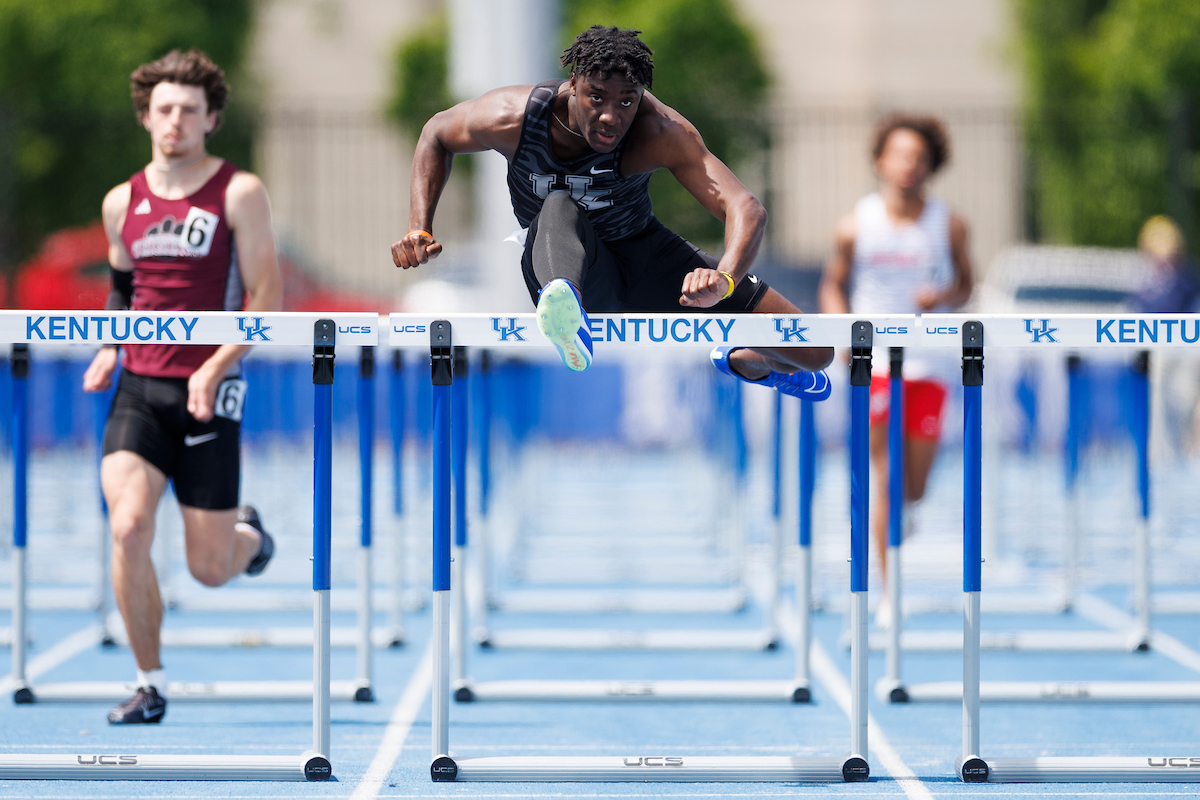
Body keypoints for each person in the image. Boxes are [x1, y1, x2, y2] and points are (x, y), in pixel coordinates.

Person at [390, 25, 832, 398]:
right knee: (559, 203)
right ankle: (565, 312)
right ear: (573, 83)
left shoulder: (659, 131)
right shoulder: (512, 118)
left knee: (817, 351)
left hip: (647, 257)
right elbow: (436, 133)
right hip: (568, 266)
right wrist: (419, 226)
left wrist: (725, 279)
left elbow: (745, 207)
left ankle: (742, 360)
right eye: (596, 97)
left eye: (626, 100)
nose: (610, 116)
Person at [81, 49, 283, 724]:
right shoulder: (121, 202)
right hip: (139, 387)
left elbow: (266, 298)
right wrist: (111, 346)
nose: (175, 122)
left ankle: (250, 537)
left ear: (211, 119)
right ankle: (149, 682)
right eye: (164, 109)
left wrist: (215, 364)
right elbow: (121, 288)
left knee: (210, 568)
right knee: (129, 525)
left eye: (189, 111)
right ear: (146, 115)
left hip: (208, 390)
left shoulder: (237, 192)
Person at [818, 113, 973, 628]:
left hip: (929, 362)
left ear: (932, 165)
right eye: (900, 154)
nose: (909, 165)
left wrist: (943, 295)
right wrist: (841, 331)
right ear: (881, 161)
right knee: (884, 478)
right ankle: (888, 594)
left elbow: (967, 286)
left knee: (915, 486)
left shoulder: (948, 224)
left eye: (919, 157)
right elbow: (833, 285)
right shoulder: (855, 224)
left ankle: (905, 513)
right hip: (876, 361)